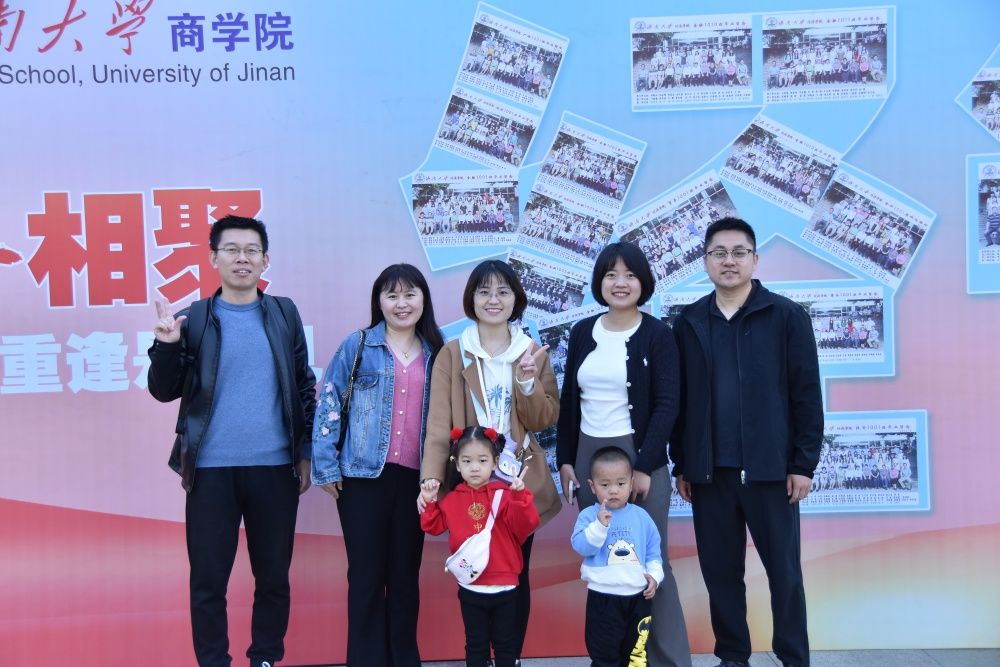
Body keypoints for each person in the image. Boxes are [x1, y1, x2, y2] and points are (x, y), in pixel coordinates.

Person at [147, 215, 316, 667]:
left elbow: (303, 386)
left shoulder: (283, 313)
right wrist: (167, 346)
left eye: (251, 250)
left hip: (274, 468)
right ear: (213, 258)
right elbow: (163, 390)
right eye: (232, 250)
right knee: (208, 581)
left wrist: (304, 453)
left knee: (273, 578)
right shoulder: (194, 318)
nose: (243, 258)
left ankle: (265, 658)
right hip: (209, 470)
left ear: (265, 259)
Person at [670, 217, 824, 667]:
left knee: (785, 575)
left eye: (739, 252)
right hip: (709, 472)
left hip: (771, 471)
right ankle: (733, 656)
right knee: (721, 575)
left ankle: (793, 657)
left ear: (755, 260)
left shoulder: (786, 316)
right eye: (719, 253)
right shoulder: (689, 321)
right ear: (705, 261)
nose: (729, 261)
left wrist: (803, 464)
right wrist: (683, 463)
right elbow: (681, 400)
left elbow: (806, 394)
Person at [557, 241, 692, 667]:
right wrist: (565, 459)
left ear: (643, 282)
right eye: (611, 274)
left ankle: (667, 660)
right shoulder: (583, 331)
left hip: (639, 454)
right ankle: (612, 659)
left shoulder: (658, 334)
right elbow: (569, 400)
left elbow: (668, 403)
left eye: (630, 275)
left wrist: (646, 465)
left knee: (651, 561)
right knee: (604, 558)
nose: (620, 283)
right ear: (599, 281)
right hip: (588, 456)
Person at [419, 259, 561, 663]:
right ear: (472, 299)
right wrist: (431, 479)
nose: (493, 300)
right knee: (476, 575)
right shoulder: (453, 353)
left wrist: (528, 382)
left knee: (517, 574)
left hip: (516, 485)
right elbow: (438, 423)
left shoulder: (530, 352)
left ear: (516, 299)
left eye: (503, 291)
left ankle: (510, 657)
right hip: (471, 484)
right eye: (484, 291)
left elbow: (544, 419)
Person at [311, 263, 445, 667]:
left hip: (416, 482)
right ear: (379, 301)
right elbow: (329, 401)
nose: (401, 304)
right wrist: (325, 465)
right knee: (366, 577)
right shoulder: (358, 346)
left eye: (410, 294)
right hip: (362, 478)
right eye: (392, 295)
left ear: (424, 300)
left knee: (404, 578)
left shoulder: (438, 353)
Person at [420, 426, 539, 667]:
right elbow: (433, 526)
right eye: (467, 461)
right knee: (475, 645)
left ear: (495, 463)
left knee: (506, 646)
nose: (475, 467)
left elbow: (526, 525)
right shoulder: (451, 499)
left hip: (505, 587)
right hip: (470, 587)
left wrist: (520, 497)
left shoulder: (505, 495)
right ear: (457, 465)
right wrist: (429, 501)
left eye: (482, 460)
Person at [571, 446, 662, 667]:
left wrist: (654, 576)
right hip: (603, 597)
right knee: (604, 656)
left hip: (638, 598)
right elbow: (581, 547)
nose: (613, 490)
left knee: (636, 655)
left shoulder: (642, 517)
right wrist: (599, 526)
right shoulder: (589, 516)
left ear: (631, 483)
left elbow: (653, 552)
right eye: (605, 485)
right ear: (592, 486)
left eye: (620, 484)